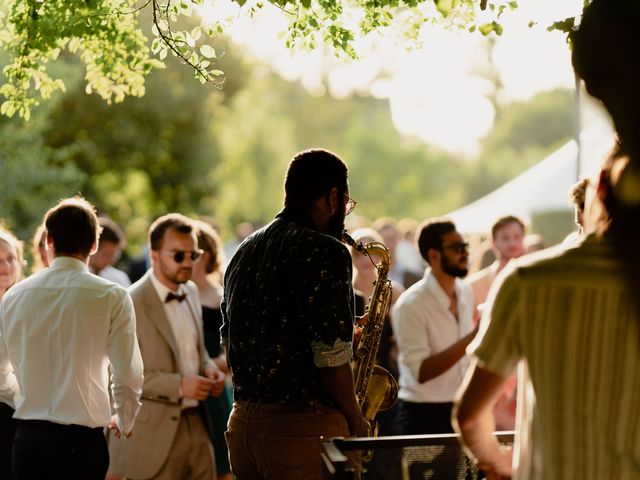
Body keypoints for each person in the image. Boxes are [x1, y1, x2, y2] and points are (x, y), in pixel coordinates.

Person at [221, 148, 366, 480]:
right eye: (346, 203)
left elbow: (230, 340)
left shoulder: (245, 249)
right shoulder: (327, 250)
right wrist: (356, 418)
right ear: (332, 197)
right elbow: (330, 359)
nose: (344, 212)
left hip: (243, 426)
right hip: (300, 428)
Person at [0, 197, 144, 480]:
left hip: (27, 440)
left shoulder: (14, 296)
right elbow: (127, 373)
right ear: (93, 244)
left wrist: (29, 399)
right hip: (80, 441)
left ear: (48, 241)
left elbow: (0, 372)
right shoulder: (112, 296)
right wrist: (124, 418)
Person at [108, 213, 225, 480]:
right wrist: (179, 385)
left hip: (199, 424)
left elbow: (197, 353)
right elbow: (117, 377)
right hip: (152, 436)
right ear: (155, 254)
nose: (188, 263)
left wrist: (209, 369)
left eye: (193, 255)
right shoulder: (129, 303)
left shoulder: (192, 292)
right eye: (178, 255)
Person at [392, 219, 477, 435]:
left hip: (463, 404)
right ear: (433, 255)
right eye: (457, 248)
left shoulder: (465, 291)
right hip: (423, 413)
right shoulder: (411, 304)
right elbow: (421, 371)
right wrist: (475, 335)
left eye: (465, 245)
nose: (465, 253)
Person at [192, 220, 233, 480]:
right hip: (183, 387)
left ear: (205, 255)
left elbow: (230, 354)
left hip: (213, 387)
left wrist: (207, 365)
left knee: (221, 462)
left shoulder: (221, 297)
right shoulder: (176, 294)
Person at [465, 216, 526, 312]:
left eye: (517, 237)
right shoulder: (473, 286)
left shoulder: (538, 279)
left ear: (523, 239)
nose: (512, 243)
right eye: (505, 238)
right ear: (493, 243)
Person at [0, 227, 23, 478]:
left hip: (22, 415)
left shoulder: (23, 304)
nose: (6, 266)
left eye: (11, 258)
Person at [89, 217, 131, 287]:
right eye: (107, 254)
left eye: (115, 255)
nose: (111, 260)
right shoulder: (76, 277)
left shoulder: (119, 279)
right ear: (93, 248)